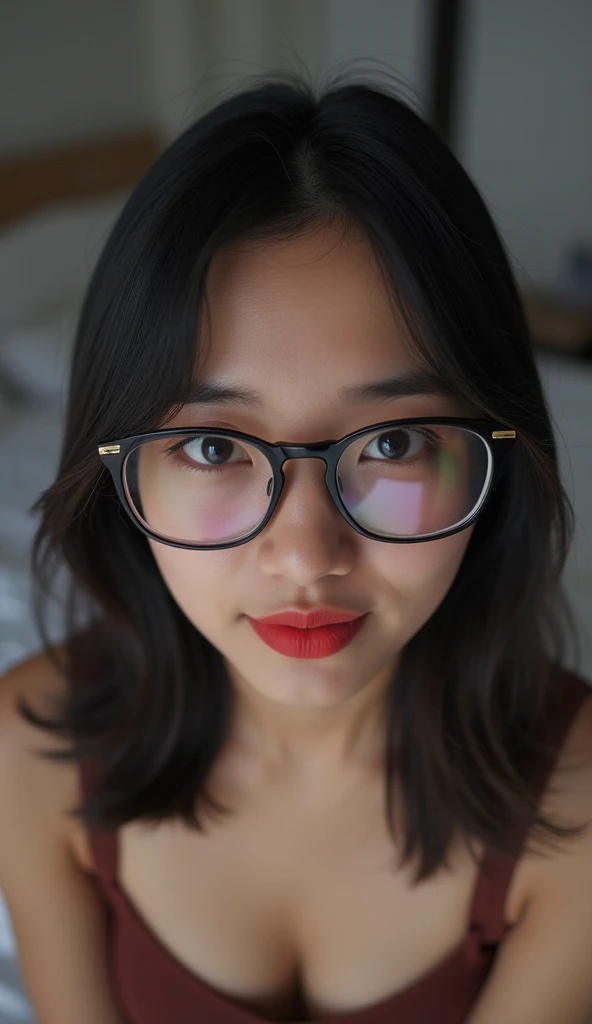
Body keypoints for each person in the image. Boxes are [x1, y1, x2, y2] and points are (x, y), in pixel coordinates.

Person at [0, 68, 591, 1024]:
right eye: (212, 446)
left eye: (395, 442)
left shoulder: (579, 802)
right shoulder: (28, 751)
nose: (307, 555)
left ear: (498, 457)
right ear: (117, 474)